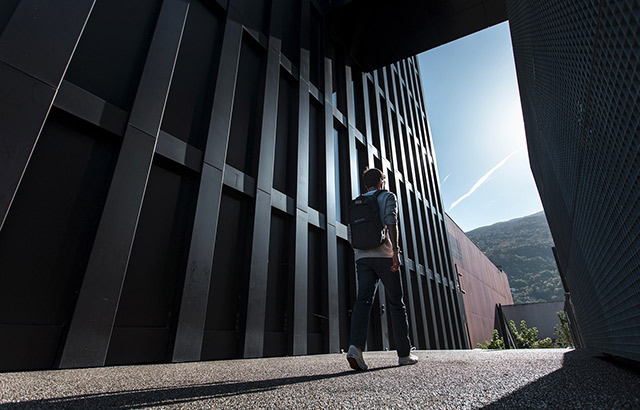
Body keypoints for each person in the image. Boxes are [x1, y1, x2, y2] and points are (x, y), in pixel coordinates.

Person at [346, 168, 419, 371]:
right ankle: (404, 354)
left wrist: (360, 253)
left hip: (362, 257)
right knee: (396, 303)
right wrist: (395, 250)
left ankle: (355, 348)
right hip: (385, 256)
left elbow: (351, 232)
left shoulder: (356, 202)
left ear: (365, 183)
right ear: (381, 181)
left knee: (363, 301)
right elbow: (391, 221)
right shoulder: (387, 196)